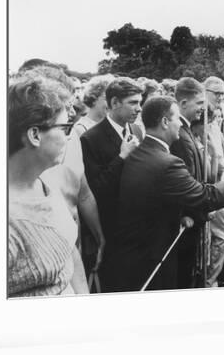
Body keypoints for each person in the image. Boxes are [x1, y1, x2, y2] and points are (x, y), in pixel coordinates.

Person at [105, 97, 224, 292]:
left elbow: (156, 196)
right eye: (177, 119)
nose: (181, 123)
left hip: (132, 253)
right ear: (165, 122)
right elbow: (205, 196)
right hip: (153, 257)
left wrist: (182, 214)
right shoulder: (168, 163)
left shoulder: (138, 152)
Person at [8, 72, 89, 296]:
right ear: (35, 134)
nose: (68, 137)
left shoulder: (42, 184)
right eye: (65, 128)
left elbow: (67, 251)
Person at [80, 77, 144, 291]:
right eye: (133, 103)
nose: (139, 108)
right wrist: (122, 157)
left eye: (139, 102)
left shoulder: (135, 130)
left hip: (136, 226)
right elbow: (95, 189)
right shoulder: (90, 139)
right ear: (115, 103)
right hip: (112, 230)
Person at [169, 77, 207, 288]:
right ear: (183, 103)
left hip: (193, 214)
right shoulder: (181, 136)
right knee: (184, 273)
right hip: (188, 219)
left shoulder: (187, 130)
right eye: (199, 103)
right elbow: (185, 181)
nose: (203, 108)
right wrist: (190, 212)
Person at [202, 76, 224, 287]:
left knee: (222, 232)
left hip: (219, 182)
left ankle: (210, 279)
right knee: (211, 235)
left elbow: (219, 155)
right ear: (204, 92)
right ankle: (207, 281)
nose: (221, 97)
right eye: (216, 93)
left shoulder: (216, 119)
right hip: (205, 186)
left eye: (223, 93)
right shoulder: (199, 119)